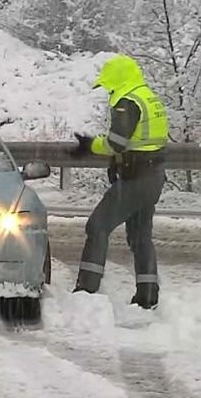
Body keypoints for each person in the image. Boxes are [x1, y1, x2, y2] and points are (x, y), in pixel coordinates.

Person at [70, 54, 169, 309]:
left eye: (109, 84)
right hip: (153, 175)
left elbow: (117, 142)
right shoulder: (147, 96)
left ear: (118, 79)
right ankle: (148, 295)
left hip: (136, 178)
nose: (109, 90)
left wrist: (90, 145)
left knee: (97, 226)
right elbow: (143, 142)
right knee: (140, 236)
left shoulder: (127, 101)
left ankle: (87, 290)